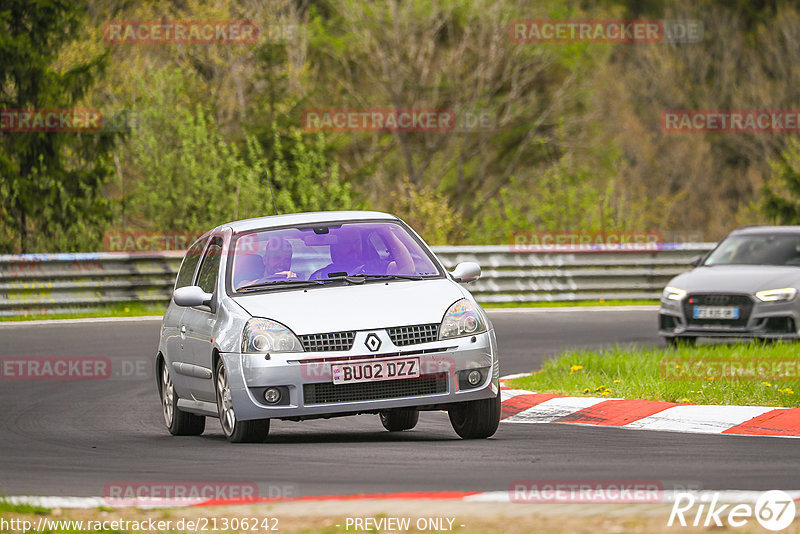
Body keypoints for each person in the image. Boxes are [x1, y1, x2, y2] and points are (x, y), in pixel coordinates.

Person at [311, 226, 414, 279]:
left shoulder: (378, 267)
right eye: (347, 243)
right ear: (336, 247)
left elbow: (408, 269)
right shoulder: (320, 276)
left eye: (357, 242)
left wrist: (387, 233)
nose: (354, 247)